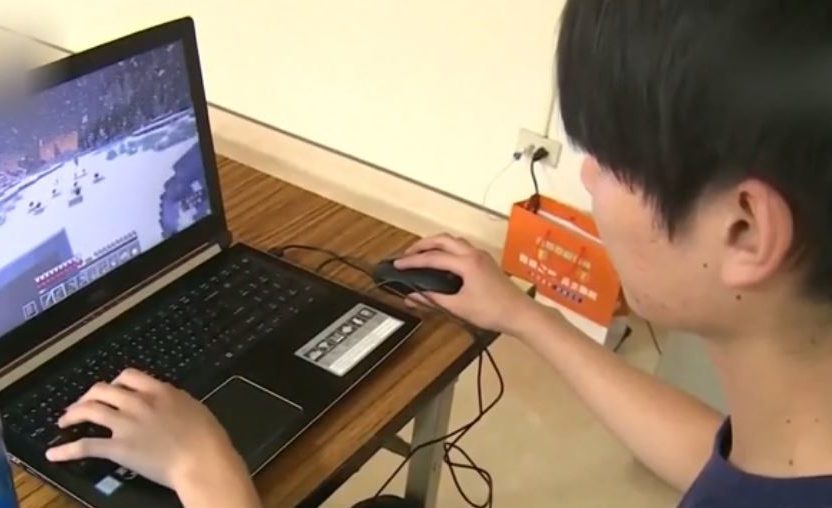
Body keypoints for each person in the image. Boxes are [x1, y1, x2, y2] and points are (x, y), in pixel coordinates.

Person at [46, 0, 832, 506]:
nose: (589, 178)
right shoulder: (794, 443)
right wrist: (524, 317)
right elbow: (720, 465)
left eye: (612, 160)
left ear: (743, 231)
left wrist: (203, 472)